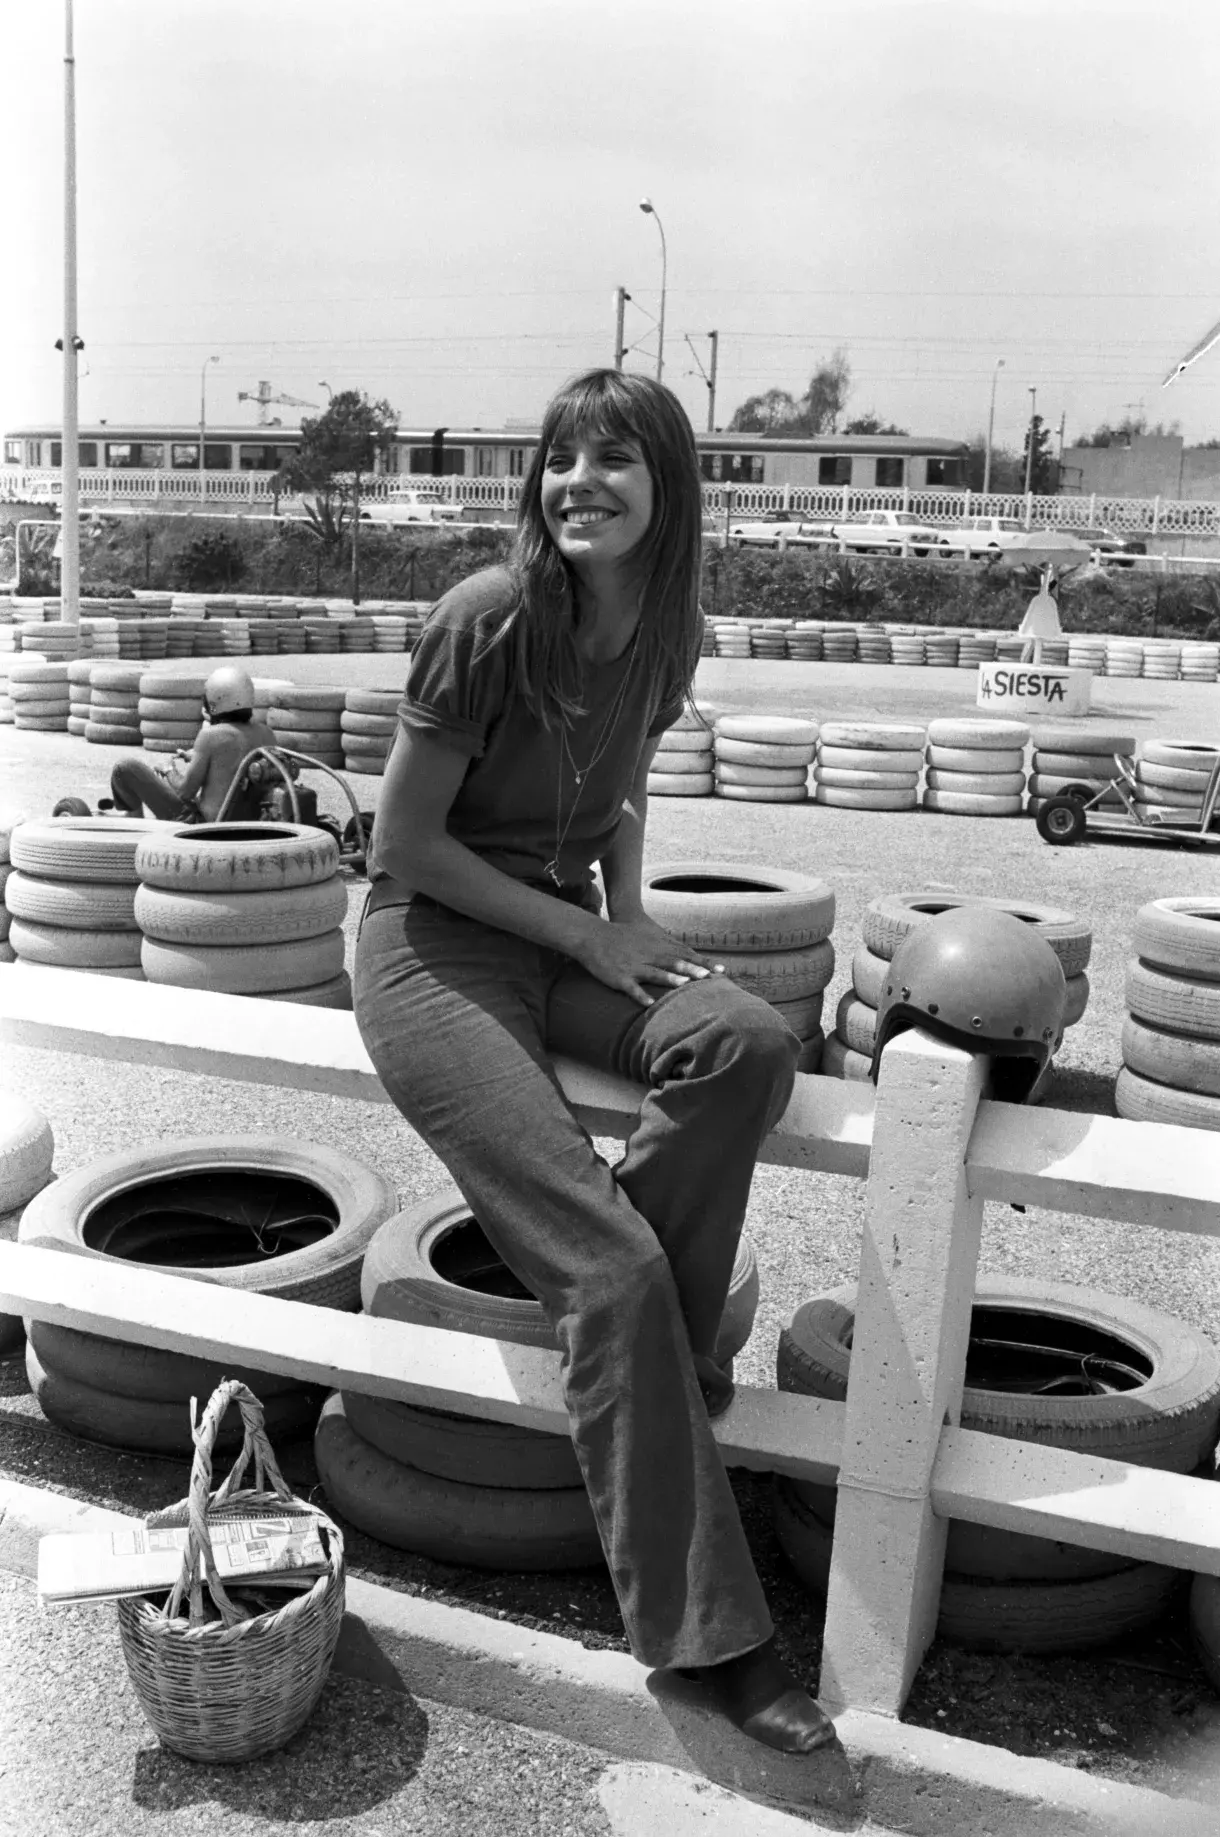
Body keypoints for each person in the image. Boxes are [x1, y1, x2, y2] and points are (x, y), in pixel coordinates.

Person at [354, 368, 836, 1756]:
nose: (578, 481)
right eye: (561, 457)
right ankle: (711, 1642)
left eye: (614, 459)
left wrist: (628, 917)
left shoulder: (671, 631)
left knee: (744, 1039)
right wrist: (590, 931)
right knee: (608, 1270)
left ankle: (650, 1372)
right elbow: (402, 846)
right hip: (432, 947)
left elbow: (620, 786)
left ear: (667, 485)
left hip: (564, 933)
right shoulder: (486, 617)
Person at [107, 665, 278, 822]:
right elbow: (232, 767)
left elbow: (185, 792)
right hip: (249, 825)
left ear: (216, 700)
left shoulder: (210, 736)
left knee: (124, 767)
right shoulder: (266, 734)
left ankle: (133, 818)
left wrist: (168, 770)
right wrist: (197, 758)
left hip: (202, 827)